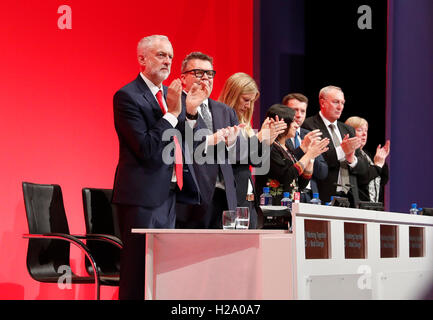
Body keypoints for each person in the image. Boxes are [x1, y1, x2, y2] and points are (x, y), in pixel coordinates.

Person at [112, 35, 203, 299]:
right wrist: (173, 114)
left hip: (169, 195)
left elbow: (184, 144)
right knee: (137, 271)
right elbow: (147, 149)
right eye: (161, 55)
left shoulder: (169, 95)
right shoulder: (127, 97)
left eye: (170, 57)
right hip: (141, 197)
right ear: (142, 59)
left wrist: (191, 114)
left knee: (162, 270)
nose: (167, 61)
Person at [175, 52, 244, 229]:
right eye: (198, 73)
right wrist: (210, 140)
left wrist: (232, 142)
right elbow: (176, 145)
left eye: (210, 73)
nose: (205, 77)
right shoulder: (174, 104)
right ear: (183, 78)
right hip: (192, 197)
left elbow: (239, 153)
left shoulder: (225, 111)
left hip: (224, 197)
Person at [218, 72, 286, 228]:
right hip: (229, 196)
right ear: (233, 95)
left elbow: (256, 162)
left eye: (252, 101)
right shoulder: (220, 118)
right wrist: (260, 137)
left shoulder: (244, 123)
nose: (248, 106)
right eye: (246, 100)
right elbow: (235, 155)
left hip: (247, 196)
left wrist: (267, 141)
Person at [302, 85, 368, 207]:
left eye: (342, 103)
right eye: (336, 102)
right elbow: (319, 162)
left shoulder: (348, 129)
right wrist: (342, 150)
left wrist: (351, 159)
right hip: (323, 196)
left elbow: (364, 168)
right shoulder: (309, 126)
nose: (340, 107)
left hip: (351, 197)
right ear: (322, 102)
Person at [255, 104, 330, 204]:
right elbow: (286, 176)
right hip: (274, 207)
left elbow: (300, 184)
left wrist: (311, 158)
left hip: (291, 205)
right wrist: (309, 155)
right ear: (283, 124)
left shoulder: (288, 148)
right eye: (292, 121)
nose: (296, 125)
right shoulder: (270, 147)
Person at [282, 93, 328, 202]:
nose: (299, 115)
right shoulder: (280, 136)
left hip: (310, 196)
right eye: (294, 110)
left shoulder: (310, 135)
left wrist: (312, 155)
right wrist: (304, 149)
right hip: (288, 195)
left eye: (303, 111)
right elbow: (286, 168)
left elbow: (322, 172)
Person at [345, 116, 390, 203]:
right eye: (359, 130)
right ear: (349, 132)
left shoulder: (367, 154)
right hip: (356, 205)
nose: (364, 134)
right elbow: (363, 178)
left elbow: (383, 180)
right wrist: (377, 165)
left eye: (366, 131)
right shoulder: (350, 154)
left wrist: (382, 159)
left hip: (373, 205)